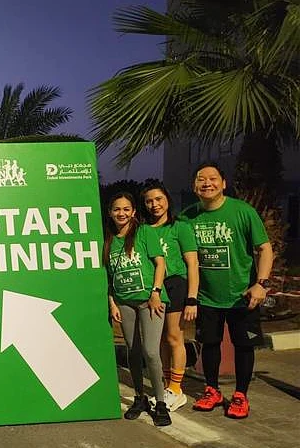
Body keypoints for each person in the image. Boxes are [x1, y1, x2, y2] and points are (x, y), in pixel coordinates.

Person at [180, 163, 273, 419]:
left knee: (244, 345)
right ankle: (212, 390)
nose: (206, 183)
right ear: (194, 186)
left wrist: (261, 284)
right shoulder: (187, 217)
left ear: (223, 183)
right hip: (206, 297)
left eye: (212, 179)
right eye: (201, 179)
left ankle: (241, 395)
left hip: (242, 296)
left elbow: (264, 249)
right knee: (209, 344)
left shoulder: (243, 212)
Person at [104, 192, 172, 427]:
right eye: (116, 209)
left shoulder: (144, 232)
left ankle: (161, 402)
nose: (121, 213)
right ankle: (139, 398)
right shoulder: (109, 240)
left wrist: (156, 292)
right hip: (124, 302)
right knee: (132, 351)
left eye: (125, 209)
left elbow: (160, 263)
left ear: (133, 212)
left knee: (151, 352)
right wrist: (112, 303)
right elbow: (109, 277)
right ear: (110, 213)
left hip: (149, 301)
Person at [141, 181, 199, 412]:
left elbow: (192, 263)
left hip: (176, 284)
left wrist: (192, 297)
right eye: (149, 201)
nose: (155, 205)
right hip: (154, 287)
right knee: (161, 339)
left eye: (159, 199)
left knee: (175, 336)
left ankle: (177, 389)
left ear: (167, 200)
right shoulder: (144, 230)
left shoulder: (180, 227)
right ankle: (167, 385)